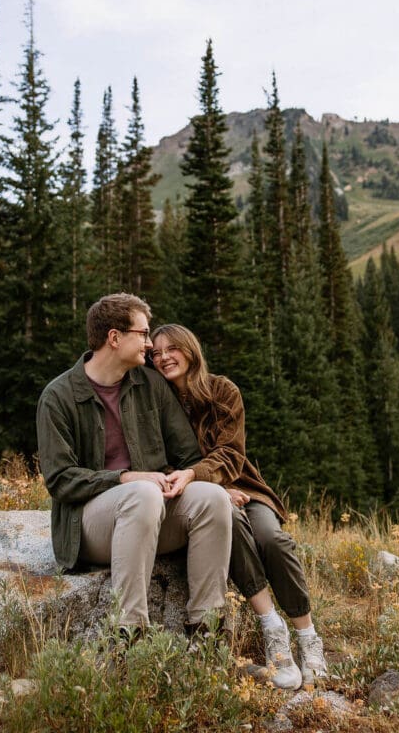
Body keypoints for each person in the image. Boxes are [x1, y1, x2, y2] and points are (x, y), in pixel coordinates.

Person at [36, 293, 232, 636]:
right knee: (142, 493)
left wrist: (181, 479)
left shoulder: (152, 386)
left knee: (212, 499)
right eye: (142, 334)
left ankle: (206, 629)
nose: (150, 343)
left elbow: (188, 457)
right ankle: (128, 632)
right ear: (114, 338)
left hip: (151, 512)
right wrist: (126, 478)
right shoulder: (59, 396)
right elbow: (60, 480)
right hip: (89, 528)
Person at [150, 323, 328, 690]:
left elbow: (232, 452)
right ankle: (272, 629)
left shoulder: (222, 391)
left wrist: (211, 480)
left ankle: (309, 639)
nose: (163, 357)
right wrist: (211, 489)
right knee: (227, 518)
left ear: (190, 349)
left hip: (244, 486)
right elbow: (156, 459)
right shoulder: (156, 402)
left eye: (171, 349)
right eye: (155, 352)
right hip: (197, 498)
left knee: (273, 539)